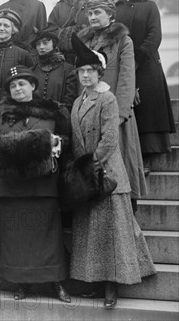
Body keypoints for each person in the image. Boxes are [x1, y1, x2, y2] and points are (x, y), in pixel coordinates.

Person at [69, 34, 156, 309]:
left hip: (107, 175)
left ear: (99, 73)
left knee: (112, 233)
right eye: (81, 71)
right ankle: (95, 281)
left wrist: (91, 165)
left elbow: (109, 139)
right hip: (88, 175)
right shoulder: (77, 101)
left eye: (90, 71)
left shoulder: (107, 98)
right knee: (93, 234)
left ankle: (112, 287)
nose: (85, 75)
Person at [0, 66, 71, 303]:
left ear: (33, 86)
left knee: (48, 236)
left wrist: (58, 144)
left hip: (43, 184)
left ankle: (56, 282)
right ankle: (22, 282)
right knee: (15, 236)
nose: (17, 89)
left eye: (22, 84)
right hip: (11, 184)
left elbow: (68, 138)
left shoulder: (53, 110)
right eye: (13, 85)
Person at [75, 0, 146, 210]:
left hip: (114, 113)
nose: (93, 17)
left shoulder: (123, 40)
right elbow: (80, 78)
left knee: (120, 160)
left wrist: (120, 115)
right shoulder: (83, 40)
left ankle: (127, 210)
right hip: (89, 113)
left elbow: (127, 78)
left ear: (110, 15)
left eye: (98, 12)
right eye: (90, 13)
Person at [114, 0, 175, 174]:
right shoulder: (114, 8)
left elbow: (154, 36)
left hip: (146, 65)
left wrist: (137, 59)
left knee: (146, 107)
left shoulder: (150, 7)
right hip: (121, 66)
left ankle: (146, 157)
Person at [0, 9, 34, 115]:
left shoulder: (23, 55)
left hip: (14, 109)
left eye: (6, 26)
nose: (1, 28)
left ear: (13, 30)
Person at [30, 25, 78, 112]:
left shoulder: (68, 70)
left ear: (54, 44)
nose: (41, 47)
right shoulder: (32, 71)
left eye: (45, 43)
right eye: (38, 44)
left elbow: (69, 100)